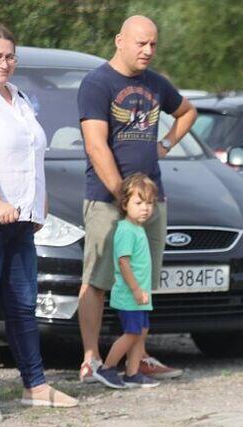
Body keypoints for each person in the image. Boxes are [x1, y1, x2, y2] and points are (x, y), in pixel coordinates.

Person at [0, 23, 77, 411]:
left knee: (23, 301)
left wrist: (41, 202)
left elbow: (32, 153)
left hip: (21, 214)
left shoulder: (18, 96)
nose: (4, 63)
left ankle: (34, 385)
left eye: (10, 57)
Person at [76, 15, 196, 386]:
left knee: (142, 278)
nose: (147, 50)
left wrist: (166, 144)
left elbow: (188, 111)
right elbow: (96, 146)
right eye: (141, 43)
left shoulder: (156, 83)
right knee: (97, 280)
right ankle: (92, 359)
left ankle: (136, 359)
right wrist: (122, 195)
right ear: (119, 40)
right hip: (107, 200)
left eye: (153, 44)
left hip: (150, 201)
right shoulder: (98, 83)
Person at [98, 174, 160, 388]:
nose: (145, 208)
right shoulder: (125, 230)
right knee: (132, 332)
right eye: (139, 203)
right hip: (130, 295)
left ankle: (132, 373)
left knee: (140, 332)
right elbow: (123, 262)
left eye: (149, 203)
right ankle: (107, 368)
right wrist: (135, 289)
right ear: (125, 204)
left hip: (140, 296)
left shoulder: (138, 229)